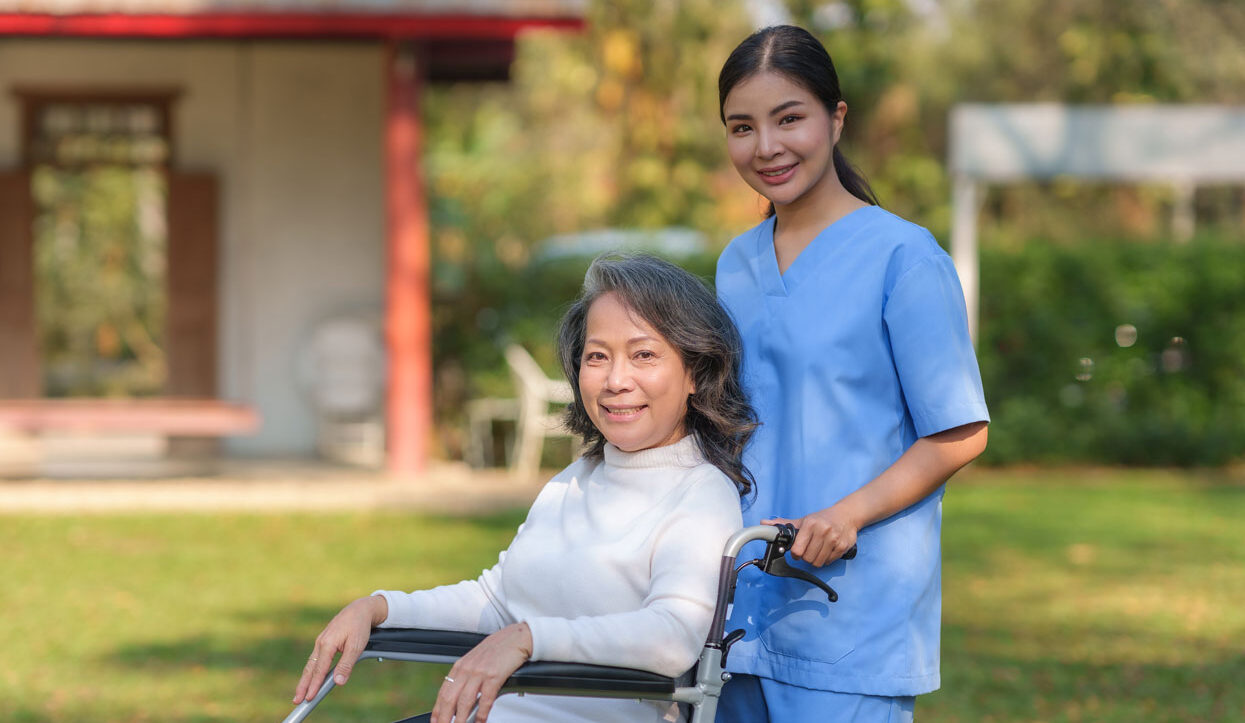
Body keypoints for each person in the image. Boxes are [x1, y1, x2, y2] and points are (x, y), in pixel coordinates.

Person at [293, 254, 757, 723]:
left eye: (644, 355)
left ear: (696, 373)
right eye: (597, 356)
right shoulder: (574, 481)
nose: (617, 380)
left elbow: (672, 636)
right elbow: (496, 601)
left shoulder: (701, 493)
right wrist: (378, 607)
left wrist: (530, 638)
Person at [711, 25, 990, 723]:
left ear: (835, 119)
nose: (766, 147)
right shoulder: (733, 266)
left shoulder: (904, 257)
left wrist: (845, 514)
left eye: (788, 118)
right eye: (741, 127)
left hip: (850, 618)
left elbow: (958, 432)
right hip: (735, 613)